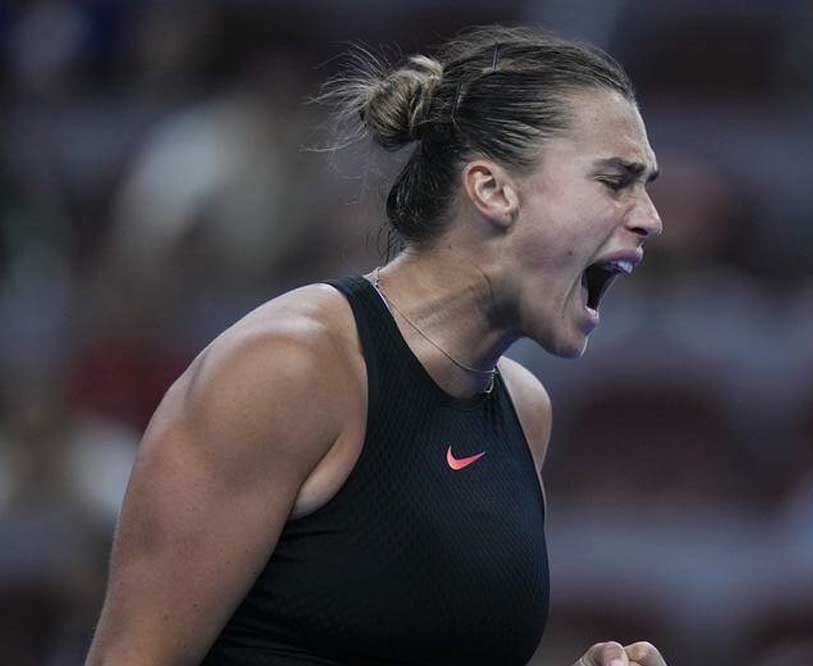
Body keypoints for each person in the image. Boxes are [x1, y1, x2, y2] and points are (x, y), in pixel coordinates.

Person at [85, 25, 665, 666]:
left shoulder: (525, 411)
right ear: (492, 189)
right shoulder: (288, 370)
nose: (650, 217)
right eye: (616, 180)